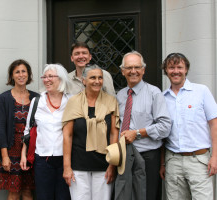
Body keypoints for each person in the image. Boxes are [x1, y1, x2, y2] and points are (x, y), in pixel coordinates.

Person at [160, 53, 217, 200]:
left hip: (199, 161)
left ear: (186, 70)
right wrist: (162, 163)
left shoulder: (201, 91)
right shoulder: (162, 98)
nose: (176, 71)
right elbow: (162, 134)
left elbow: (214, 124)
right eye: (171, 67)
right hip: (173, 161)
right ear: (166, 70)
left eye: (180, 67)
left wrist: (215, 156)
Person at [116, 51, 171, 200]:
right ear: (122, 71)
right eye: (128, 68)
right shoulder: (120, 95)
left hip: (147, 157)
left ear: (143, 70)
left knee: (147, 196)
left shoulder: (154, 93)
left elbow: (165, 126)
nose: (133, 71)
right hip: (124, 156)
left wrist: (137, 133)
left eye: (137, 67)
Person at [62, 64, 119, 200]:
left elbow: (113, 134)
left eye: (100, 78)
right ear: (84, 80)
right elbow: (67, 135)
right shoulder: (73, 102)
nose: (97, 81)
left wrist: (112, 165)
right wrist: (67, 167)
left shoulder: (111, 101)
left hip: (104, 165)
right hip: (78, 165)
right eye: (92, 77)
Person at [20, 64, 71, 200]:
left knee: (64, 197)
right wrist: (23, 154)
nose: (47, 80)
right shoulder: (37, 101)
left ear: (61, 79)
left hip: (65, 160)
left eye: (51, 76)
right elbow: (28, 129)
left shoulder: (71, 101)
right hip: (42, 159)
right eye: (45, 77)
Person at [0, 59, 39, 200]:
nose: (21, 75)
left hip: (30, 150)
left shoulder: (36, 98)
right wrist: (4, 156)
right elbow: (1, 129)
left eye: (24, 71)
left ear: (28, 74)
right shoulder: (4, 98)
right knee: (14, 192)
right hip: (11, 149)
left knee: (28, 191)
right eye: (17, 72)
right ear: (12, 76)